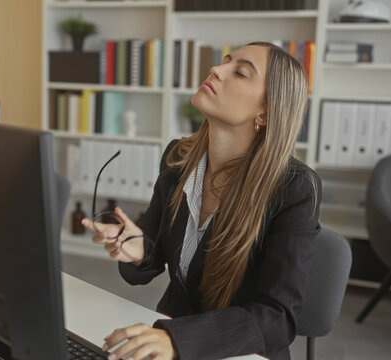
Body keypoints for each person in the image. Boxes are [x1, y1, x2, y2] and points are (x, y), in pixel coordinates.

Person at [81, 42, 321, 360]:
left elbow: (276, 318)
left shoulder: (295, 188)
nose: (216, 70)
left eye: (240, 72)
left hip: (240, 351)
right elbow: (154, 253)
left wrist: (178, 341)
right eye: (225, 61)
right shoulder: (178, 158)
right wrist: (137, 250)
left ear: (264, 112)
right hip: (169, 337)